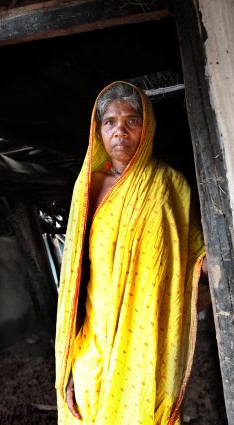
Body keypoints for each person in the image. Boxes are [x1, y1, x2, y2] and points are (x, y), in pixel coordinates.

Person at [55, 81, 206, 424]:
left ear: (147, 127)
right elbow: (74, 272)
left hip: (147, 334)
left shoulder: (169, 184)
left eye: (131, 121)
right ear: (98, 131)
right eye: (109, 122)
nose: (120, 131)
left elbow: (194, 254)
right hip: (94, 334)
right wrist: (65, 360)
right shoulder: (89, 186)